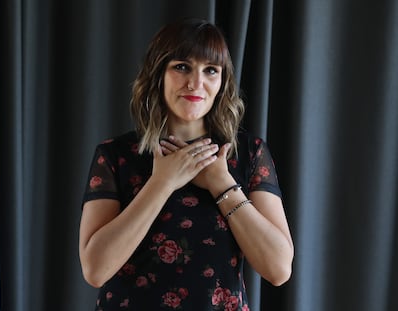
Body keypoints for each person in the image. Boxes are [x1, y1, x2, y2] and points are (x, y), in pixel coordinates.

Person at [79, 18, 294, 311]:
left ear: (222, 82)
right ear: (159, 74)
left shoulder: (248, 154)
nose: (196, 83)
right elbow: (95, 270)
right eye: (181, 67)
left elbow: (279, 268)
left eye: (211, 70)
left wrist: (222, 184)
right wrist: (162, 183)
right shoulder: (117, 155)